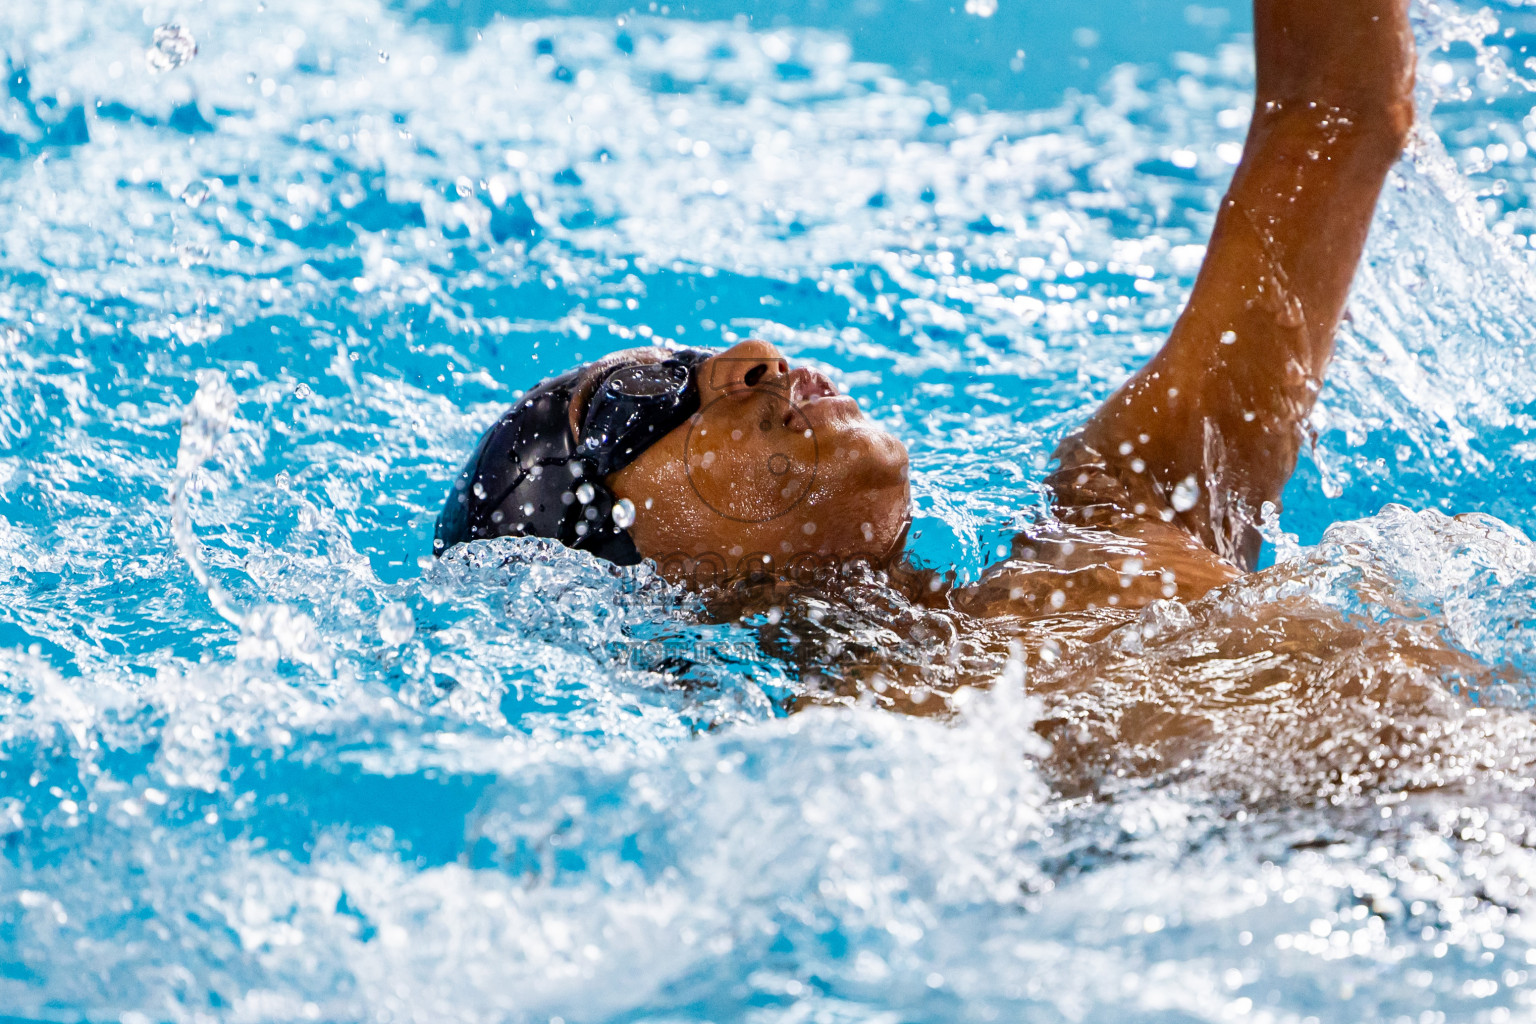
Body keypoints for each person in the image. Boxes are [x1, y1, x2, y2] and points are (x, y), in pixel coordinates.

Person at [438, 0, 1414, 620]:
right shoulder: (829, 780)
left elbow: (1336, 108)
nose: (749, 355)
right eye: (640, 400)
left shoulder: (1133, 500)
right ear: (609, 573)